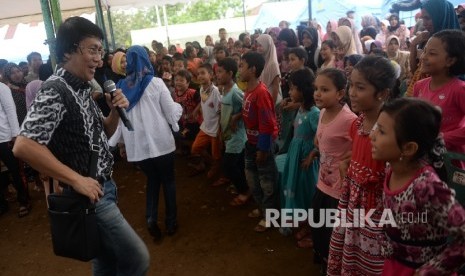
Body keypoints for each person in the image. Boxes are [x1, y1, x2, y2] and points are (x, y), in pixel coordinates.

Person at [12, 16, 149, 275]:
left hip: (103, 189)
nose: (99, 58)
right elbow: (24, 145)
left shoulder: (82, 87)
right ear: (68, 51)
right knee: (136, 258)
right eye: (92, 50)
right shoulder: (56, 89)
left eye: (101, 50)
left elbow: (103, 133)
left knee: (106, 262)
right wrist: (76, 180)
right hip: (88, 197)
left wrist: (115, 112)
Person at [370, 98, 465, 275]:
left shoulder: (427, 187)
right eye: (376, 127)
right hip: (394, 265)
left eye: (381, 131)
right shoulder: (391, 169)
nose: (372, 135)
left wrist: (430, 270)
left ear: (408, 148)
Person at [327, 56, 397, 275]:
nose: (352, 93)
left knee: (371, 258)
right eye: (351, 86)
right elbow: (356, 151)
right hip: (353, 200)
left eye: (360, 87)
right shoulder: (357, 123)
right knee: (351, 249)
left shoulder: (390, 131)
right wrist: (347, 164)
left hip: (374, 206)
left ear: (383, 94)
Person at [112, 45, 182, 241]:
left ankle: (151, 219)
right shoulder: (157, 83)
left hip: (139, 148)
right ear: (146, 60)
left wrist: (120, 144)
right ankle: (171, 221)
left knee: (152, 180)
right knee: (168, 181)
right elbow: (171, 112)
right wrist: (179, 108)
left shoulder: (121, 88)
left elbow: (120, 121)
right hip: (161, 143)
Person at [310, 68, 356, 274]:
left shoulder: (349, 119)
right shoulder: (321, 112)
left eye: (324, 89)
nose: (317, 93)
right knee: (318, 228)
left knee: (332, 235)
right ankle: (323, 262)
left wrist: (348, 159)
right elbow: (320, 142)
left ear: (340, 93)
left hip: (338, 190)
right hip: (322, 184)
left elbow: (362, 148)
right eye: (316, 89)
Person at [279, 68, 320, 248]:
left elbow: (321, 139)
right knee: (298, 188)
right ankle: (305, 224)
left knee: (308, 191)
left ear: (304, 90)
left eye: (294, 88)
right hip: (296, 155)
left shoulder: (314, 113)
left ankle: (313, 230)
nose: (290, 92)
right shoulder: (301, 109)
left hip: (306, 159)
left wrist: (312, 154)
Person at [413, 30, 465, 167]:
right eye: (424, 51)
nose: (423, 57)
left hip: (448, 160)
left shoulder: (459, 89)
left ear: (450, 60)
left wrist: (442, 138)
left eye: (432, 54)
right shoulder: (419, 86)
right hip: (422, 156)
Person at [240, 52, 278, 232]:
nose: (239, 69)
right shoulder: (248, 90)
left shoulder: (261, 93)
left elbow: (267, 124)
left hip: (262, 145)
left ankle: (270, 216)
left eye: (242, 66)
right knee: (253, 180)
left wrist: (262, 149)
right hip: (251, 143)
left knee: (266, 182)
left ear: (253, 69)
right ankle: (263, 209)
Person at [406, 0, 460, 96]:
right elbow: (417, 72)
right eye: (423, 18)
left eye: (428, 18)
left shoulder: (456, 46)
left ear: (441, 17)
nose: (424, 23)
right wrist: (414, 45)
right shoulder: (428, 38)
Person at [215, 58, 249, 205]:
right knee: (238, 164)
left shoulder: (235, 92)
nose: (217, 75)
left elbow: (248, 108)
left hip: (237, 135)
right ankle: (244, 187)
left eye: (220, 72)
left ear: (230, 73)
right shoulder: (224, 90)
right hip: (229, 134)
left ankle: (244, 192)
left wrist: (237, 116)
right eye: (217, 72)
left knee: (229, 165)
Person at [0, 82, 30, 217]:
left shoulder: (2, 87)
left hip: (5, 137)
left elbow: (11, 110)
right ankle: (2, 203)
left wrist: (15, 135)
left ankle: (24, 201)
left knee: (16, 171)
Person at [189, 63, 222, 178]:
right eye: (198, 74)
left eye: (203, 73)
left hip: (215, 128)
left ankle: (217, 169)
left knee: (216, 154)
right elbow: (203, 101)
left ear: (211, 75)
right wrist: (196, 110)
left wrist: (219, 129)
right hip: (206, 126)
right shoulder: (202, 88)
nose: (200, 76)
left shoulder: (216, 92)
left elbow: (220, 111)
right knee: (195, 148)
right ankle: (212, 164)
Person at [173, 69, 201, 154]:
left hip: (193, 122)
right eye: (176, 80)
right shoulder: (175, 92)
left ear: (188, 83)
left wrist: (195, 111)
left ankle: (196, 154)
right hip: (182, 120)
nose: (178, 82)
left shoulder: (192, 92)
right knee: (179, 135)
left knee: (189, 138)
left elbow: (202, 101)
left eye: (182, 80)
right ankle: (182, 150)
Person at [256, 34, 281, 104]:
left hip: (271, 99)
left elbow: (276, 86)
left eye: (260, 45)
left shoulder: (273, 63)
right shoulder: (262, 61)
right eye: (257, 46)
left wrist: (272, 104)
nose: (258, 48)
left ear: (267, 45)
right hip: (264, 97)